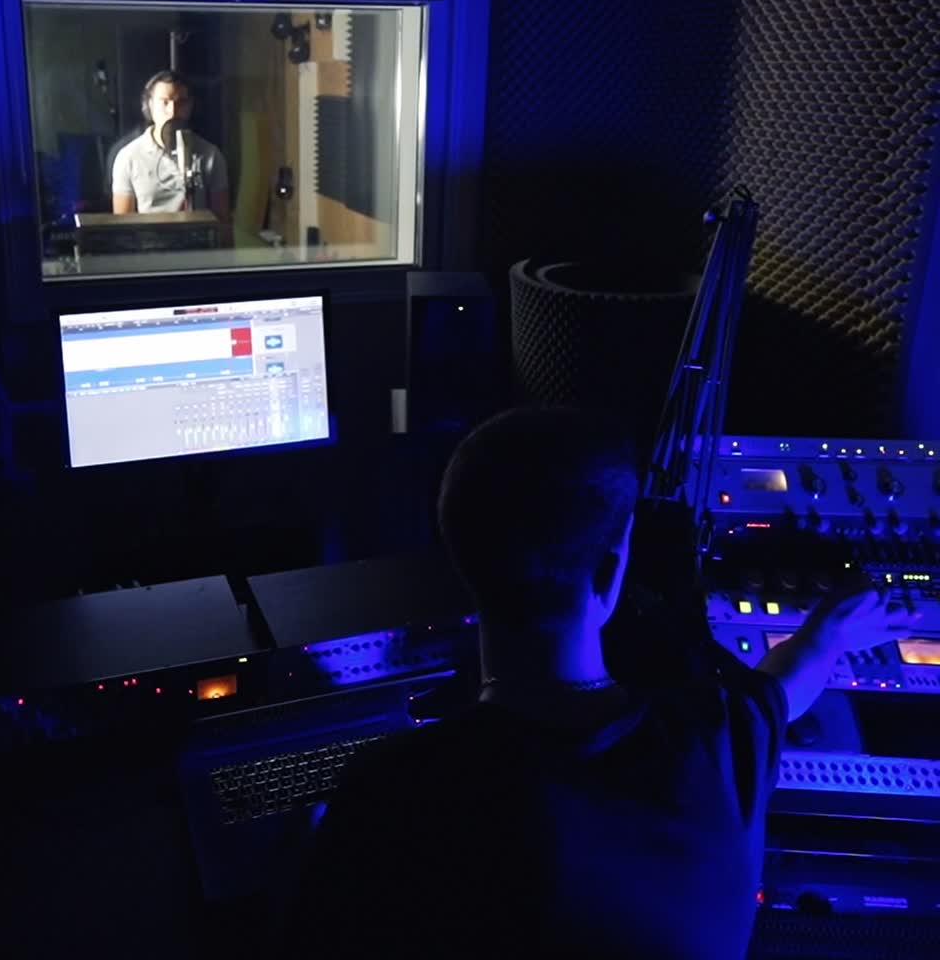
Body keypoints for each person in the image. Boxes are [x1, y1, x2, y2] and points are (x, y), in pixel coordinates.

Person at [281, 406, 917, 959]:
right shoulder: (724, 739)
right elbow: (786, 682)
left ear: (456, 562)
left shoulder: (388, 792)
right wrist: (829, 630)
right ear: (612, 572)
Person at [111, 71, 230, 223]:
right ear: (149, 106)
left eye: (181, 102)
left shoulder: (211, 155)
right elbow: (122, 226)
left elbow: (222, 222)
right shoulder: (128, 157)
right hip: (149, 246)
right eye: (165, 102)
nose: (173, 111)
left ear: (190, 106)